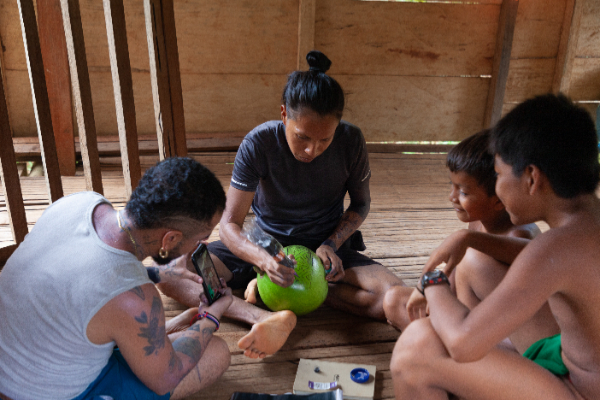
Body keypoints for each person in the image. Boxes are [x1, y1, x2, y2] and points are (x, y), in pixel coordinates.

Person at [157, 50, 414, 359]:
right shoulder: (259, 143)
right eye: (302, 137)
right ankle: (264, 316)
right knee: (173, 272)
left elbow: (361, 203)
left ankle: (295, 292)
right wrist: (263, 261)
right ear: (283, 114)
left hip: (324, 248)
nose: (312, 149)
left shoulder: (351, 141)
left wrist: (332, 243)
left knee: (395, 298)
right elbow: (229, 225)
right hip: (265, 246)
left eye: (324, 140)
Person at [390, 93, 600, 400]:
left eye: (499, 175)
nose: (498, 187)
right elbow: (547, 263)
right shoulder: (584, 224)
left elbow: (463, 345)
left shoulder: (557, 247)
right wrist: (469, 238)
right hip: (576, 358)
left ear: (532, 178)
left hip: (579, 389)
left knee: (417, 346)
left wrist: (433, 282)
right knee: (476, 264)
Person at [0, 157, 233, 400]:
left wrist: (157, 273)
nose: (203, 244)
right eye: (201, 237)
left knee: (178, 326)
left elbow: (85, 278)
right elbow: (165, 380)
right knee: (215, 352)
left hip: (17, 361)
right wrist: (210, 317)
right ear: (169, 240)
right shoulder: (133, 299)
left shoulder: (81, 202)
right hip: (36, 394)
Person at [383, 130, 560, 354]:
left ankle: (445, 352)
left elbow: (536, 253)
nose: (452, 197)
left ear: (498, 199)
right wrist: (433, 298)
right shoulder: (477, 223)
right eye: (453, 186)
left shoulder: (519, 235)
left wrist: (466, 238)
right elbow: (455, 282)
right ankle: (438, 345)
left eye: (463, 191)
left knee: (419, 326)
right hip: (466, 318)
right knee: (393, 300)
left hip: (505, 334)